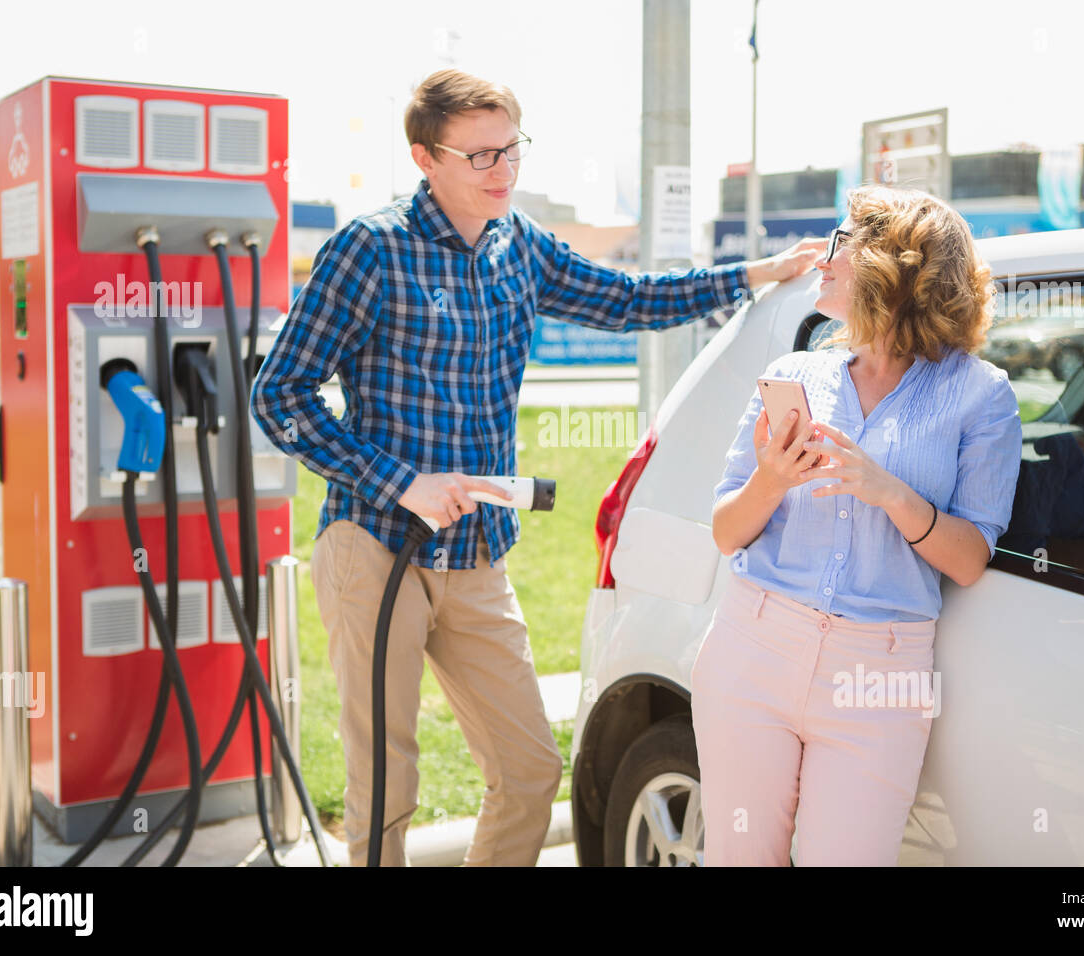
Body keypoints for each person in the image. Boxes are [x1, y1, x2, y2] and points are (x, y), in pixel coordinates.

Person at [250, 68, 822, 866]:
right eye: (480, 156)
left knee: (528, 770)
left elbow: (627, 299)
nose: (504, 172)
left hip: (478, 552)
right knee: (387, 783)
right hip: (376, 545)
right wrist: (402, 482)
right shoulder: (370, 249)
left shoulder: (521, 247)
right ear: (426, 157)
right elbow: (279, 395)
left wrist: (756, 276)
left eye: (511, 150)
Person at [694, 183, 1023, 866]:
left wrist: (888, 491)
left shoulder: (982, 395)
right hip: (754, 646)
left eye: (842, 242)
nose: (823, 257)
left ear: (892, 269)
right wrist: (772, 480)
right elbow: (727, 533)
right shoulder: (793, 374)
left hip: (882, 672)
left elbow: (967, 559)